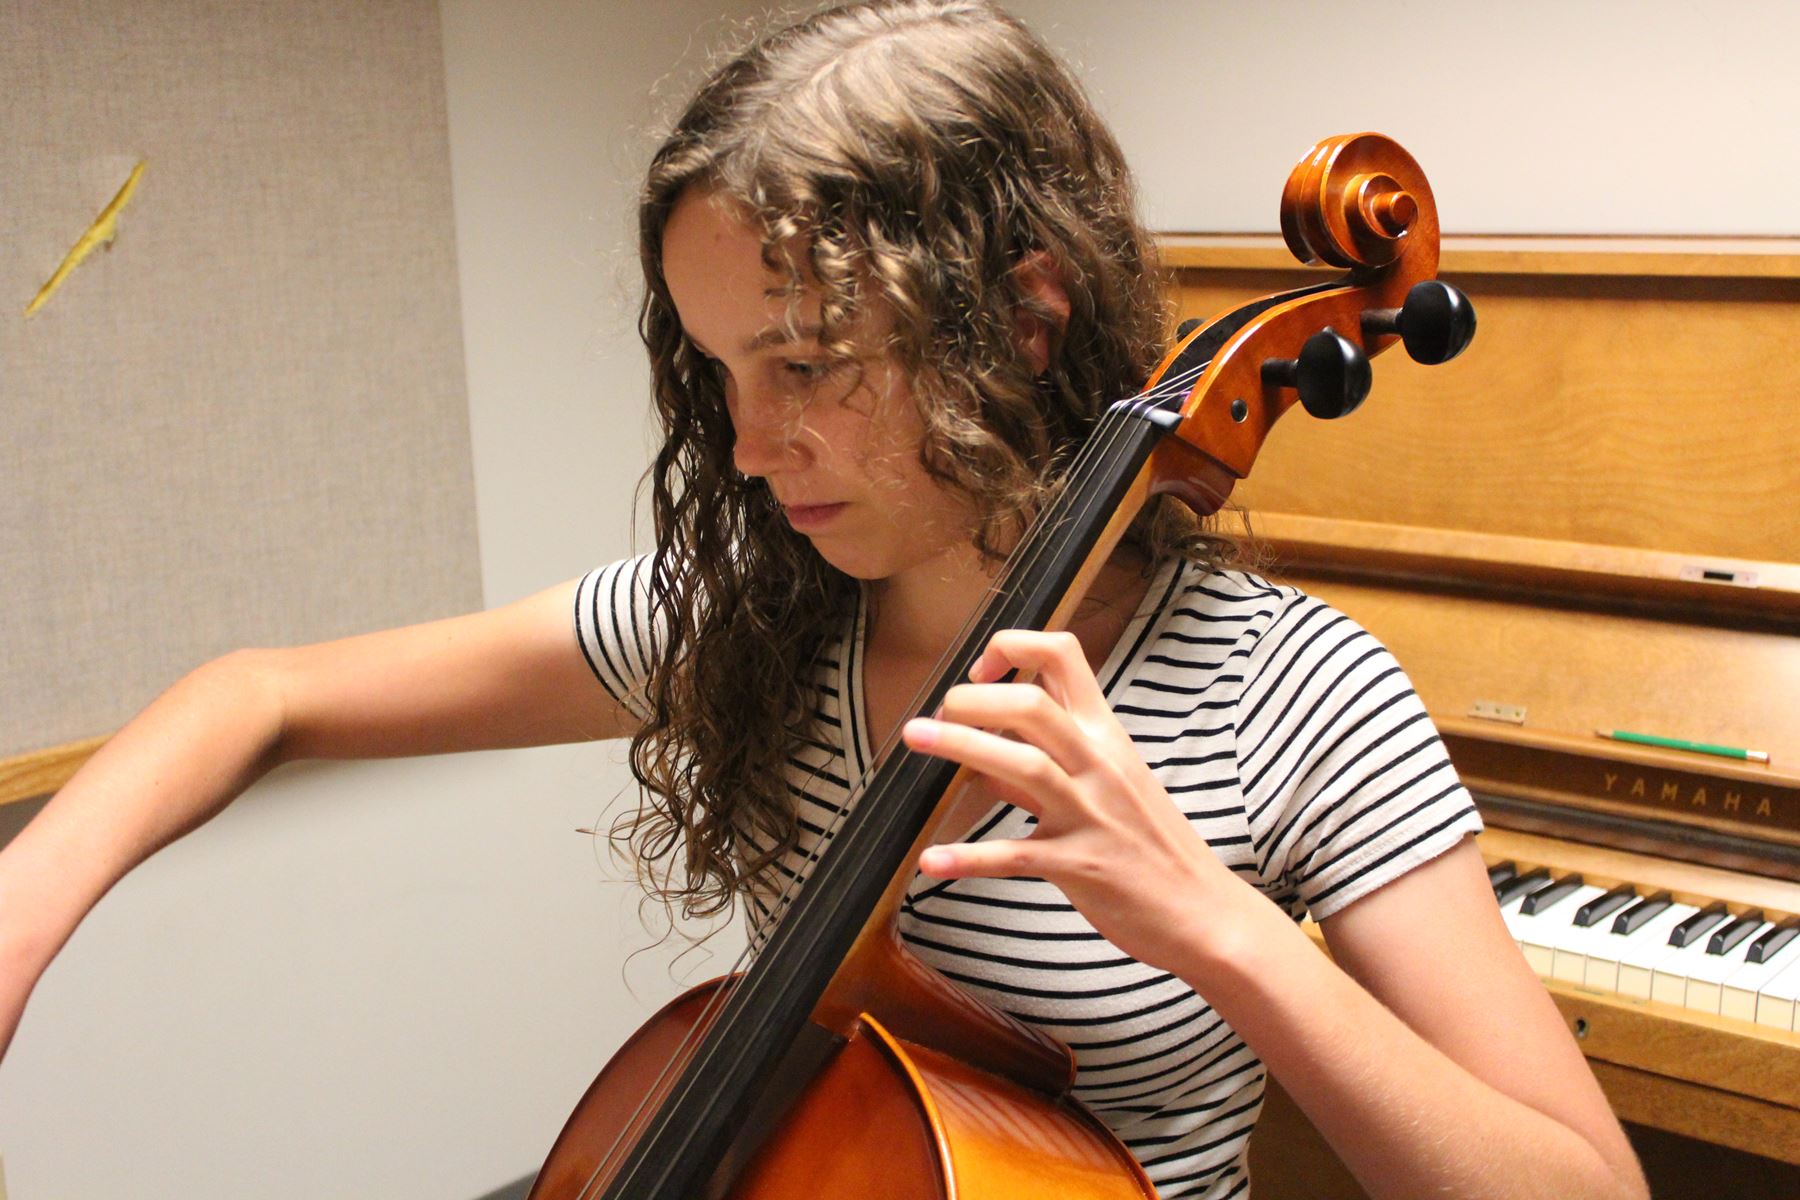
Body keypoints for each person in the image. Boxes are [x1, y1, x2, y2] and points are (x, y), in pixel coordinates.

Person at [0, 3, 1646, 1197]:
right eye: (719, 372)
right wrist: (24, 907)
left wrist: (1217, 927)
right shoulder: (758, 616)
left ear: (1021, 319)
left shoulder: (1288, 696)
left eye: (804, 363)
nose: (745, 442)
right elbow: (260, 696)